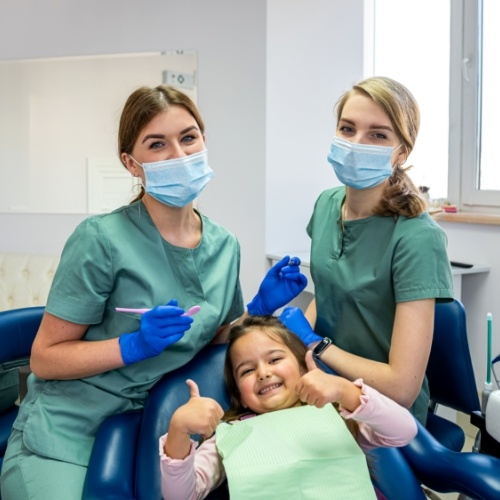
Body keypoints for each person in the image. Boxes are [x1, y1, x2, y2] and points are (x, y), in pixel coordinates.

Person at [0, 85, 306, 500]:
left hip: (154, 427)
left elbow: (209, 336)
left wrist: (256, 309)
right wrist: (133, 345)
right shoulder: (101, 240)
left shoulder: (224, 245)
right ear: (131, 163)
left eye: (188, 137)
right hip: (67, 432)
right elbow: (46, 358)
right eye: (157, 144)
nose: (178, 155)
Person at [279, 76, 454, 425]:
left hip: (384, 412)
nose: (357, 142)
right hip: (322, 382)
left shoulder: (417, 237)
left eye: (378, 135)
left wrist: (317, 345)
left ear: (401, 152)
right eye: (347, 129)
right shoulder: (328, 204)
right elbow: (327, 293)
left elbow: (402, 387)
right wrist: (292, 340)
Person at [160, 316, 417, 499]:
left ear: (303, 367)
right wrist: (179, 430)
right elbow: (182, 495)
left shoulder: (338, 415)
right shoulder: (231, 435)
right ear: (240, 394)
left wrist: (345, 391)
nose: (263, 373)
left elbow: (403, 431)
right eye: (247, 370)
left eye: (274, 359)